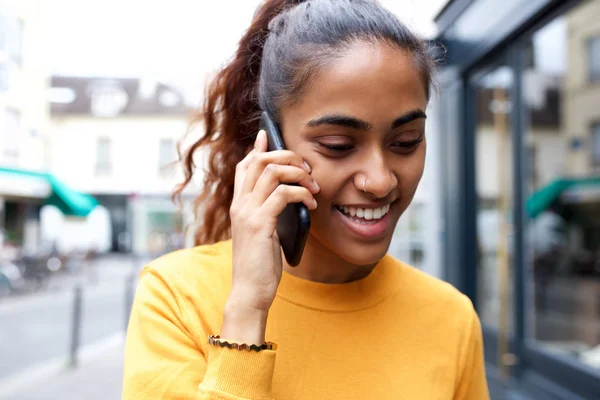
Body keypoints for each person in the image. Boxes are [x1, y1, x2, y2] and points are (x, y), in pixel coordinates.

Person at [122, 0, 490, 399]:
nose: (380, 181)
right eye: (338, 145)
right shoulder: (176, 298)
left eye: (406, 142)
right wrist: (247, 309)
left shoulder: (451, 318)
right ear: (269, 144)